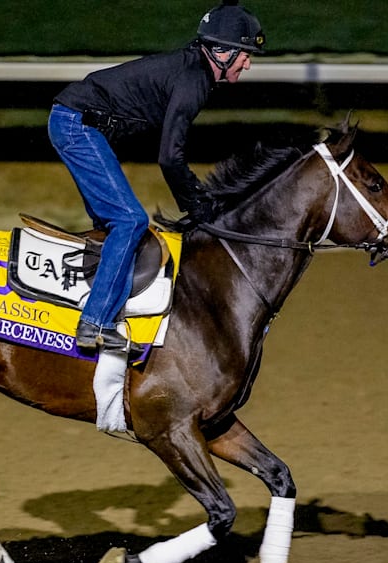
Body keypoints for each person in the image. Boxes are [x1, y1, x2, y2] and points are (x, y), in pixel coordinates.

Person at [48, 0, 265, 352]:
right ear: (222, 52)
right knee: (131, 221)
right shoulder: (194, 79)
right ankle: (94, 322)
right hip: (77, 125)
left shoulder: (193, 70)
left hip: (78, 123)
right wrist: (196, 205)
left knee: (114, 222)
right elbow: (169, 156)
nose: (248, 63)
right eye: (244, 54)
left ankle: (107, 310)